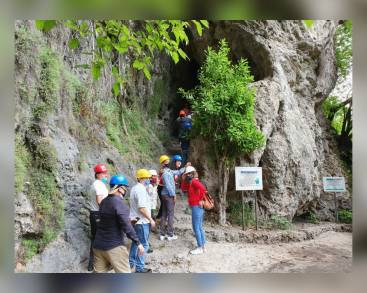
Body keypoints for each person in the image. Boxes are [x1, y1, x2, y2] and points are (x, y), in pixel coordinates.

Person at [93, 174, 144, 273]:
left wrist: (127, 221)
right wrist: (138, 242)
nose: (125, 191)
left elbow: (108, 220)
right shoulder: (120, 203)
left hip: (98, 246)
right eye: (125, 188)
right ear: (120, 188)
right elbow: (127, 227)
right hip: (114, 247)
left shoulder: (103, 201)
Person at [129, 169, 155, 273]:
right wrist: (151, 219)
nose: (148, 179)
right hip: (142, 222)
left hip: (136, 220)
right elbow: (142, 208)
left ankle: (130, 263)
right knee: (144, 245)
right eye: (146, 178)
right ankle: (139, 268)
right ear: (140, 178)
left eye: (148, 178)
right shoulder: (140, 190)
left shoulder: (135, 188)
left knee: (136, 243)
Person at [159, 155, 187, 241]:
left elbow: (178, 172)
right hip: (168, 195)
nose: (168, 162)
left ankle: (162, 234)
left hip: (164, 195)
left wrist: (185, 167)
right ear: (164, 163)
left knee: (164, 213)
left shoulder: (168, 171)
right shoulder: (166, 173)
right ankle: (170, 234)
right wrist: (173, 195)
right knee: (170, 214)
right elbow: (168, 186)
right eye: (166, 161)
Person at [87, 164, 109, 271]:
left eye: (106, 173)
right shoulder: (99, 185)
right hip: (99, 214)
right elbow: (100, 201)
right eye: (104, 173)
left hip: (94, 214)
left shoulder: (96, 184)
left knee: (95, 239)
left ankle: (92, 264)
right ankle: (99, 264)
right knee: (102, 239)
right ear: (98, 174)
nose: (106, 175)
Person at [185, 166, 207, 255]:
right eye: (187, 174)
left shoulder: (194, 181)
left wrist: (201, 199)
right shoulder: (192, 181)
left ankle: (200, 247)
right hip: (197, 207)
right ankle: (203, 246)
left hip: (196, 206)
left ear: (193, 173)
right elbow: (183, 187)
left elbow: (203, 189)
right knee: (199, 226)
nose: (188, 175)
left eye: (189, 173)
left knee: (196, 227)